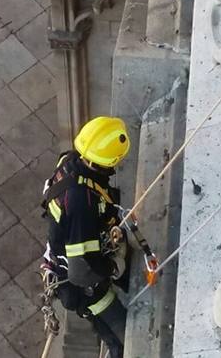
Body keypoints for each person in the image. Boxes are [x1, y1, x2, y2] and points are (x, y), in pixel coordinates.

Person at [41, 116, 130, 358]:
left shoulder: (69, 161)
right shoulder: (82, 202)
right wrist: (114, 268)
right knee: (125, 340)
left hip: (72, 254)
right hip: (81, 282)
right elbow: (81, 271)